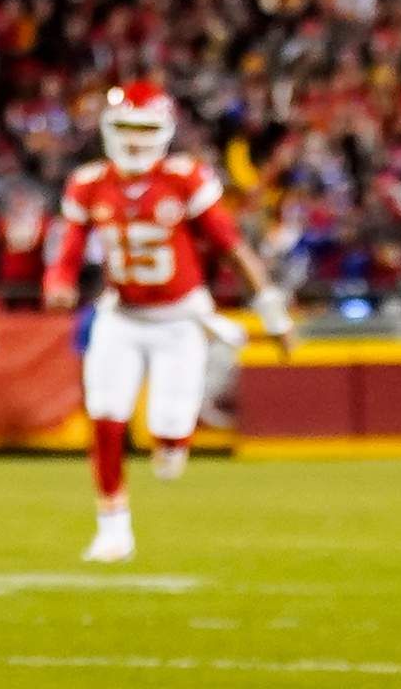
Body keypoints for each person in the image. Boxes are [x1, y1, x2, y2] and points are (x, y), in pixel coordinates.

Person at [44, 81, 295, 563]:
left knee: (170, 433)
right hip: (121, 315)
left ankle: (174, 441)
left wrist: (273, 313)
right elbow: (68, 251)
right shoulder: (89, 183)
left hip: (180, 319)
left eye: (144, 129)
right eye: (126, 127)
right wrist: (58, 282)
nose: (134, 139)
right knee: (105, 416)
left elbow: (231, 247)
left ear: (163, 131)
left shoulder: (184, 179)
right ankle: (113, 529)